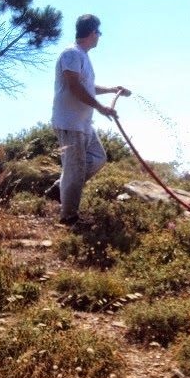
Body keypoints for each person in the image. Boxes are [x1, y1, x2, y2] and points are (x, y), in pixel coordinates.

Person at [45, 14, 131, 227]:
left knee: (98, 158)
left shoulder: (82, 56)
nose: (99, 37)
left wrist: (112, 89)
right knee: (74, 169)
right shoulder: (71, 53)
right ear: (92, 32)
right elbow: (74, 87)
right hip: (70, 122)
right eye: (98, 33)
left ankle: (58, 189)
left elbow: (87, 87)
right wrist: (101, 108)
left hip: (82, 123)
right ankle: (69, 217)